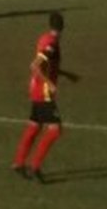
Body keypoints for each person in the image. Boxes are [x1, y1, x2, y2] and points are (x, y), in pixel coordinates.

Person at [12, 12, 66, 184]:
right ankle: (35, 166)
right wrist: (49, 83)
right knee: (55, 130)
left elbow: (47, 64)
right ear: (63, 27)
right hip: (43, 93)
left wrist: (66, 74)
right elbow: (35, 66)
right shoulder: (52, 44)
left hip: (35, 89)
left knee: (35, 125)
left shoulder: (44, 38)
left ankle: (19, 163)